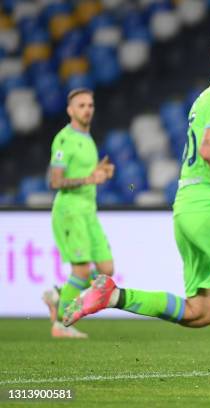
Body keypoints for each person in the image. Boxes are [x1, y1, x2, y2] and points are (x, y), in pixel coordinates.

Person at [62, 27, 210, 398]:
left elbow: (205, 175)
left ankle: (113, 296)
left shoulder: (204, 99)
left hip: (189, 209)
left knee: (201, 312)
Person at [43, 88, 115, 338]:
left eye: (90, 105)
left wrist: (99, 172)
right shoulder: (64, 139)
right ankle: (61, 324)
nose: (87, 109)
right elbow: (55, 181)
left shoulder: (87, 138)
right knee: (82, 271)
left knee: (106, 270)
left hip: (89, 212)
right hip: (70, 211)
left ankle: (59, 296)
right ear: (70, 110)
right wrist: (89, 177)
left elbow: (85, 175)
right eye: (81, 105)